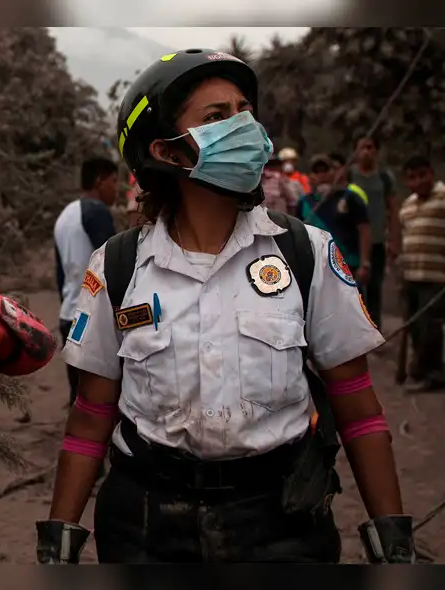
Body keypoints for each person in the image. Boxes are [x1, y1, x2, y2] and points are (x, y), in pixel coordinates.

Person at [36, 48, 414, 564]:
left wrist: (391, 538)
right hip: (145, 527)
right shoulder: (119, 266)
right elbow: (91, 416)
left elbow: (358, 407)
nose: (245, 126)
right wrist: (58, 541)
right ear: (168, 152)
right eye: (217, 117)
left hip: (282, 523)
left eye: (245, 110)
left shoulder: (307, 253)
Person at [54, 157, 118, 406]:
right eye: (113, 181)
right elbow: (115, 264)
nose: (116, 188)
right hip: (92, 317)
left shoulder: (66, 215)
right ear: (100, 181)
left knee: (78, 395)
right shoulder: (96, 211)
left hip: (69, 315)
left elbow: (60, 272)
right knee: (99, 397)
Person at [397, 155, 445, 392]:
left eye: (423, 175)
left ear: (432, 174)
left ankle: (433, 373)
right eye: (412, 178)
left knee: (430, 327)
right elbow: (407, 238)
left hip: (436, 277)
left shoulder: (443, 197)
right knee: (416, 327)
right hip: (412, 275)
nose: (419, 182)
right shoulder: (407, 206)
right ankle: (424, 371)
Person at [295, 154, 372, 287]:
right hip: (317, 267)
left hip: (348, 264)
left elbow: (364, 230)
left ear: (334, 172)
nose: (322, 175)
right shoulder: (304, 203)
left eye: (325, 170)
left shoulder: (350, 197)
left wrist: (364, 263)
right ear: (311, 177)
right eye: (317, 171)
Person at [348, 135, 399, 329]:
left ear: (376, 151)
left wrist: (394, 241)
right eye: (362, 148)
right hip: (353, 242)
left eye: (370, 147)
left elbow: (393, 210)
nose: (366, 152)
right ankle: (356, 330)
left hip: (377, 241)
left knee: (375, 288)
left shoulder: (384, 178)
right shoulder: (349, 175)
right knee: (352, 289)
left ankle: (375, 329)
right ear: (355, 152)